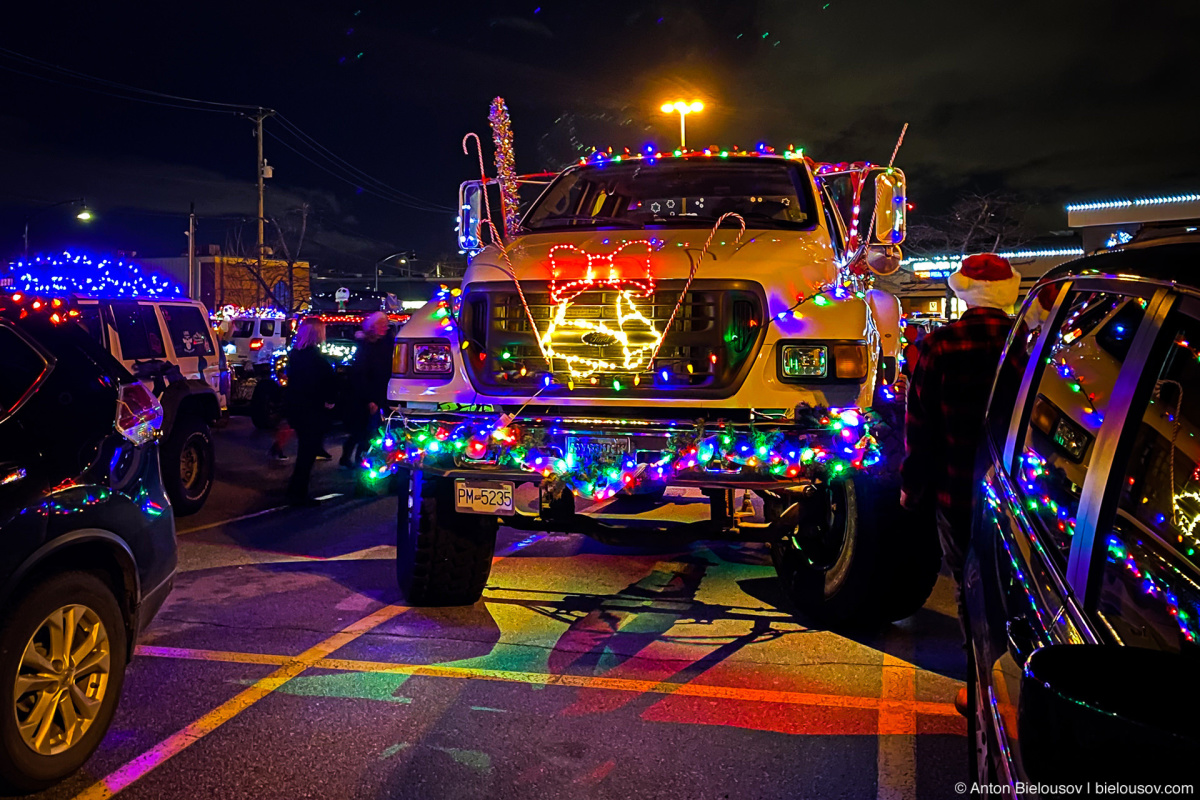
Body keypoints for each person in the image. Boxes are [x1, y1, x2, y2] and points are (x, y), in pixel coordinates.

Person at [900, 253, 1017, 710]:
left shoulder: (939, 345)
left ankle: (982, 682)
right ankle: (1017, 675)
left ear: (961, 290)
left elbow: (920, 427)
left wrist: (913, 485)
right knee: (1014, 584)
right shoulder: (1028, 346)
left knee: (972, 585)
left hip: (957, 490)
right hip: (1019, 493)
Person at [284, 317, 337, 506]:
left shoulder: (296, 356)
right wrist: (329, 400)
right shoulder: (316, 360)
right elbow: (325, 384)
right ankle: (299, 492)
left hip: (297, 408)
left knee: (305, 450)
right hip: (311, 411)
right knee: (308, 452)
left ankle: (295, 488)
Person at [340, 311, 393, 468]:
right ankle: (361, 466)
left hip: (382, 394)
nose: (385, 327)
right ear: (373, 327)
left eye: (386, 324)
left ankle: (352, 456)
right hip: (368, 397)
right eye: (382, 324)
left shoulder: (386, 342)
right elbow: (361, 374)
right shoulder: (366, 347)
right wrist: (370, 399)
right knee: (366, 433)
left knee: (366, 432)